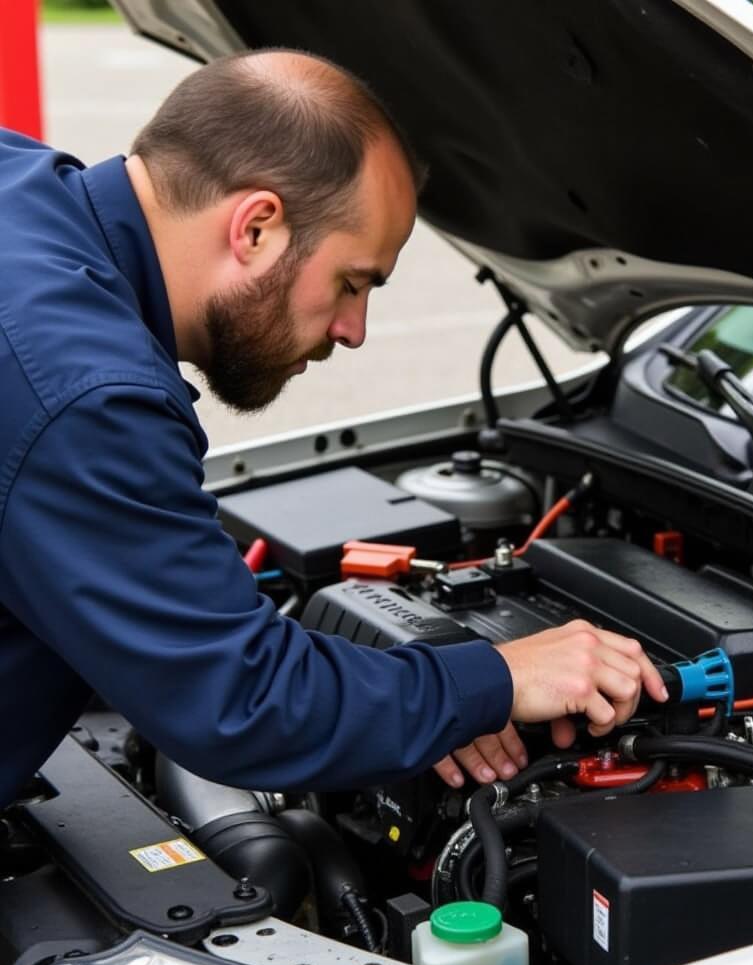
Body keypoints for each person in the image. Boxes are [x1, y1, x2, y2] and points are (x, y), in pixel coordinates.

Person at [0, 49, 665, 807]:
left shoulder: (20, 182)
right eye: (352, 283)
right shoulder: (85, 392)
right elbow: (242, 702)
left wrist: (433, 695)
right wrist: (503, 677)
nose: (353, 331)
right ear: (256, 228)